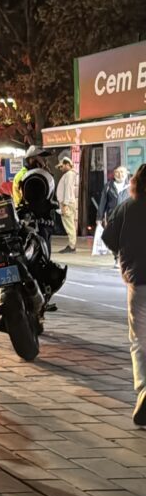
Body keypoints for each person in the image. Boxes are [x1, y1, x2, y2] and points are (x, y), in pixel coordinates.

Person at [103, 164, 146, 426]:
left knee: (139, 339)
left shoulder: (126, 207)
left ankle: (144, 389)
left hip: (138, 280)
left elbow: (109, 239)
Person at [96, 166, 130, 256]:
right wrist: (99, 218)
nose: (120, 174)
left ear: (126, 174)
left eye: (122, 172)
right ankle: (117, 257)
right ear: (114, 174)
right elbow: (102, 203)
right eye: (117, 172)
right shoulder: (108, 186)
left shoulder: (131, 186)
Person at [56, 157, 78, 254]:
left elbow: (67, 190)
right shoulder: (69, 174)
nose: (60, 169)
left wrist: (65, 204)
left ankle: (72, 245)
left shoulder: (69, 174)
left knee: (69, 225)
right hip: (67, 203)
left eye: (62, 166)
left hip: (67, 203)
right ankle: (72, 245)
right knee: (69, 224)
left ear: (67, 164)